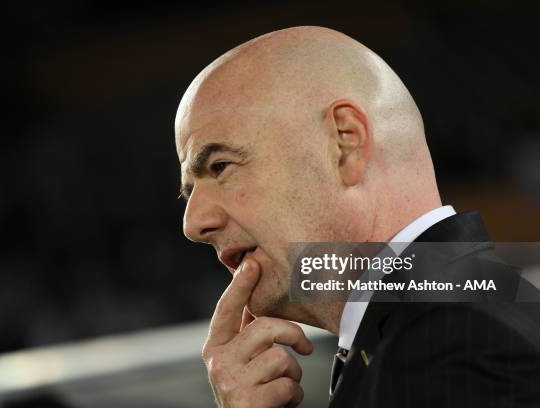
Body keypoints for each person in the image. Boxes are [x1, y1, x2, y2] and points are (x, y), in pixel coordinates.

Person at [174, 26, 540, 407]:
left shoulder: (451, 348)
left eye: (220, 166)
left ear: (344, 143)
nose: (193, 223)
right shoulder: (449, 325)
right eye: (190, 191)